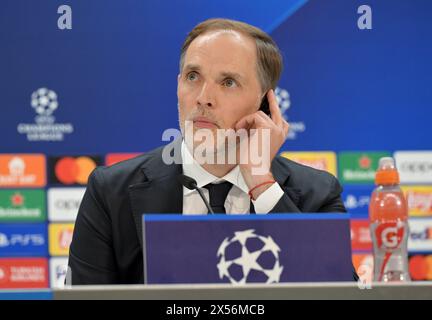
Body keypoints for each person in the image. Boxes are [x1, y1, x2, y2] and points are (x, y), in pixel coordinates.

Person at [67, 18, 350, 284]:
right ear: (178, 85)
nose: (203, 99)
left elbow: (338, 295)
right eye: (193, 76)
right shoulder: (110, 192)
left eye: (228, 82)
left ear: (264, 103)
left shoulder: (318, 194)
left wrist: (262, 185)